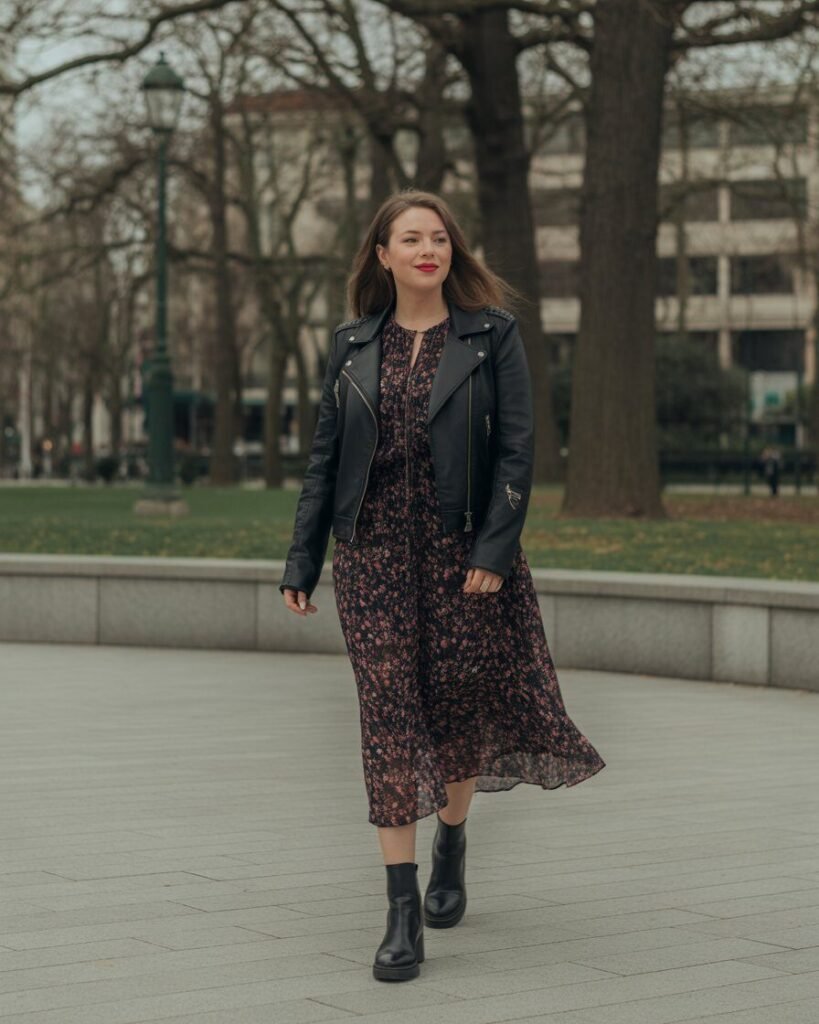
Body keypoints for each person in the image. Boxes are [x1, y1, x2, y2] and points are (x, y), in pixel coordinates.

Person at [279, 189, 606, 983]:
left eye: (439, 238)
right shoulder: (352, 343)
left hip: (465, 558)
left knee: (454, 707)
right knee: (389, 715)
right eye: (410, 238)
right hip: (373, 556)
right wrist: (302, 557)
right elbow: (326, 457)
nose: (428, 249)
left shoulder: (491, 336)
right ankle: (399, 912)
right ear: (382, 255)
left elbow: (518, 453)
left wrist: (494, 550)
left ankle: (451, 840)